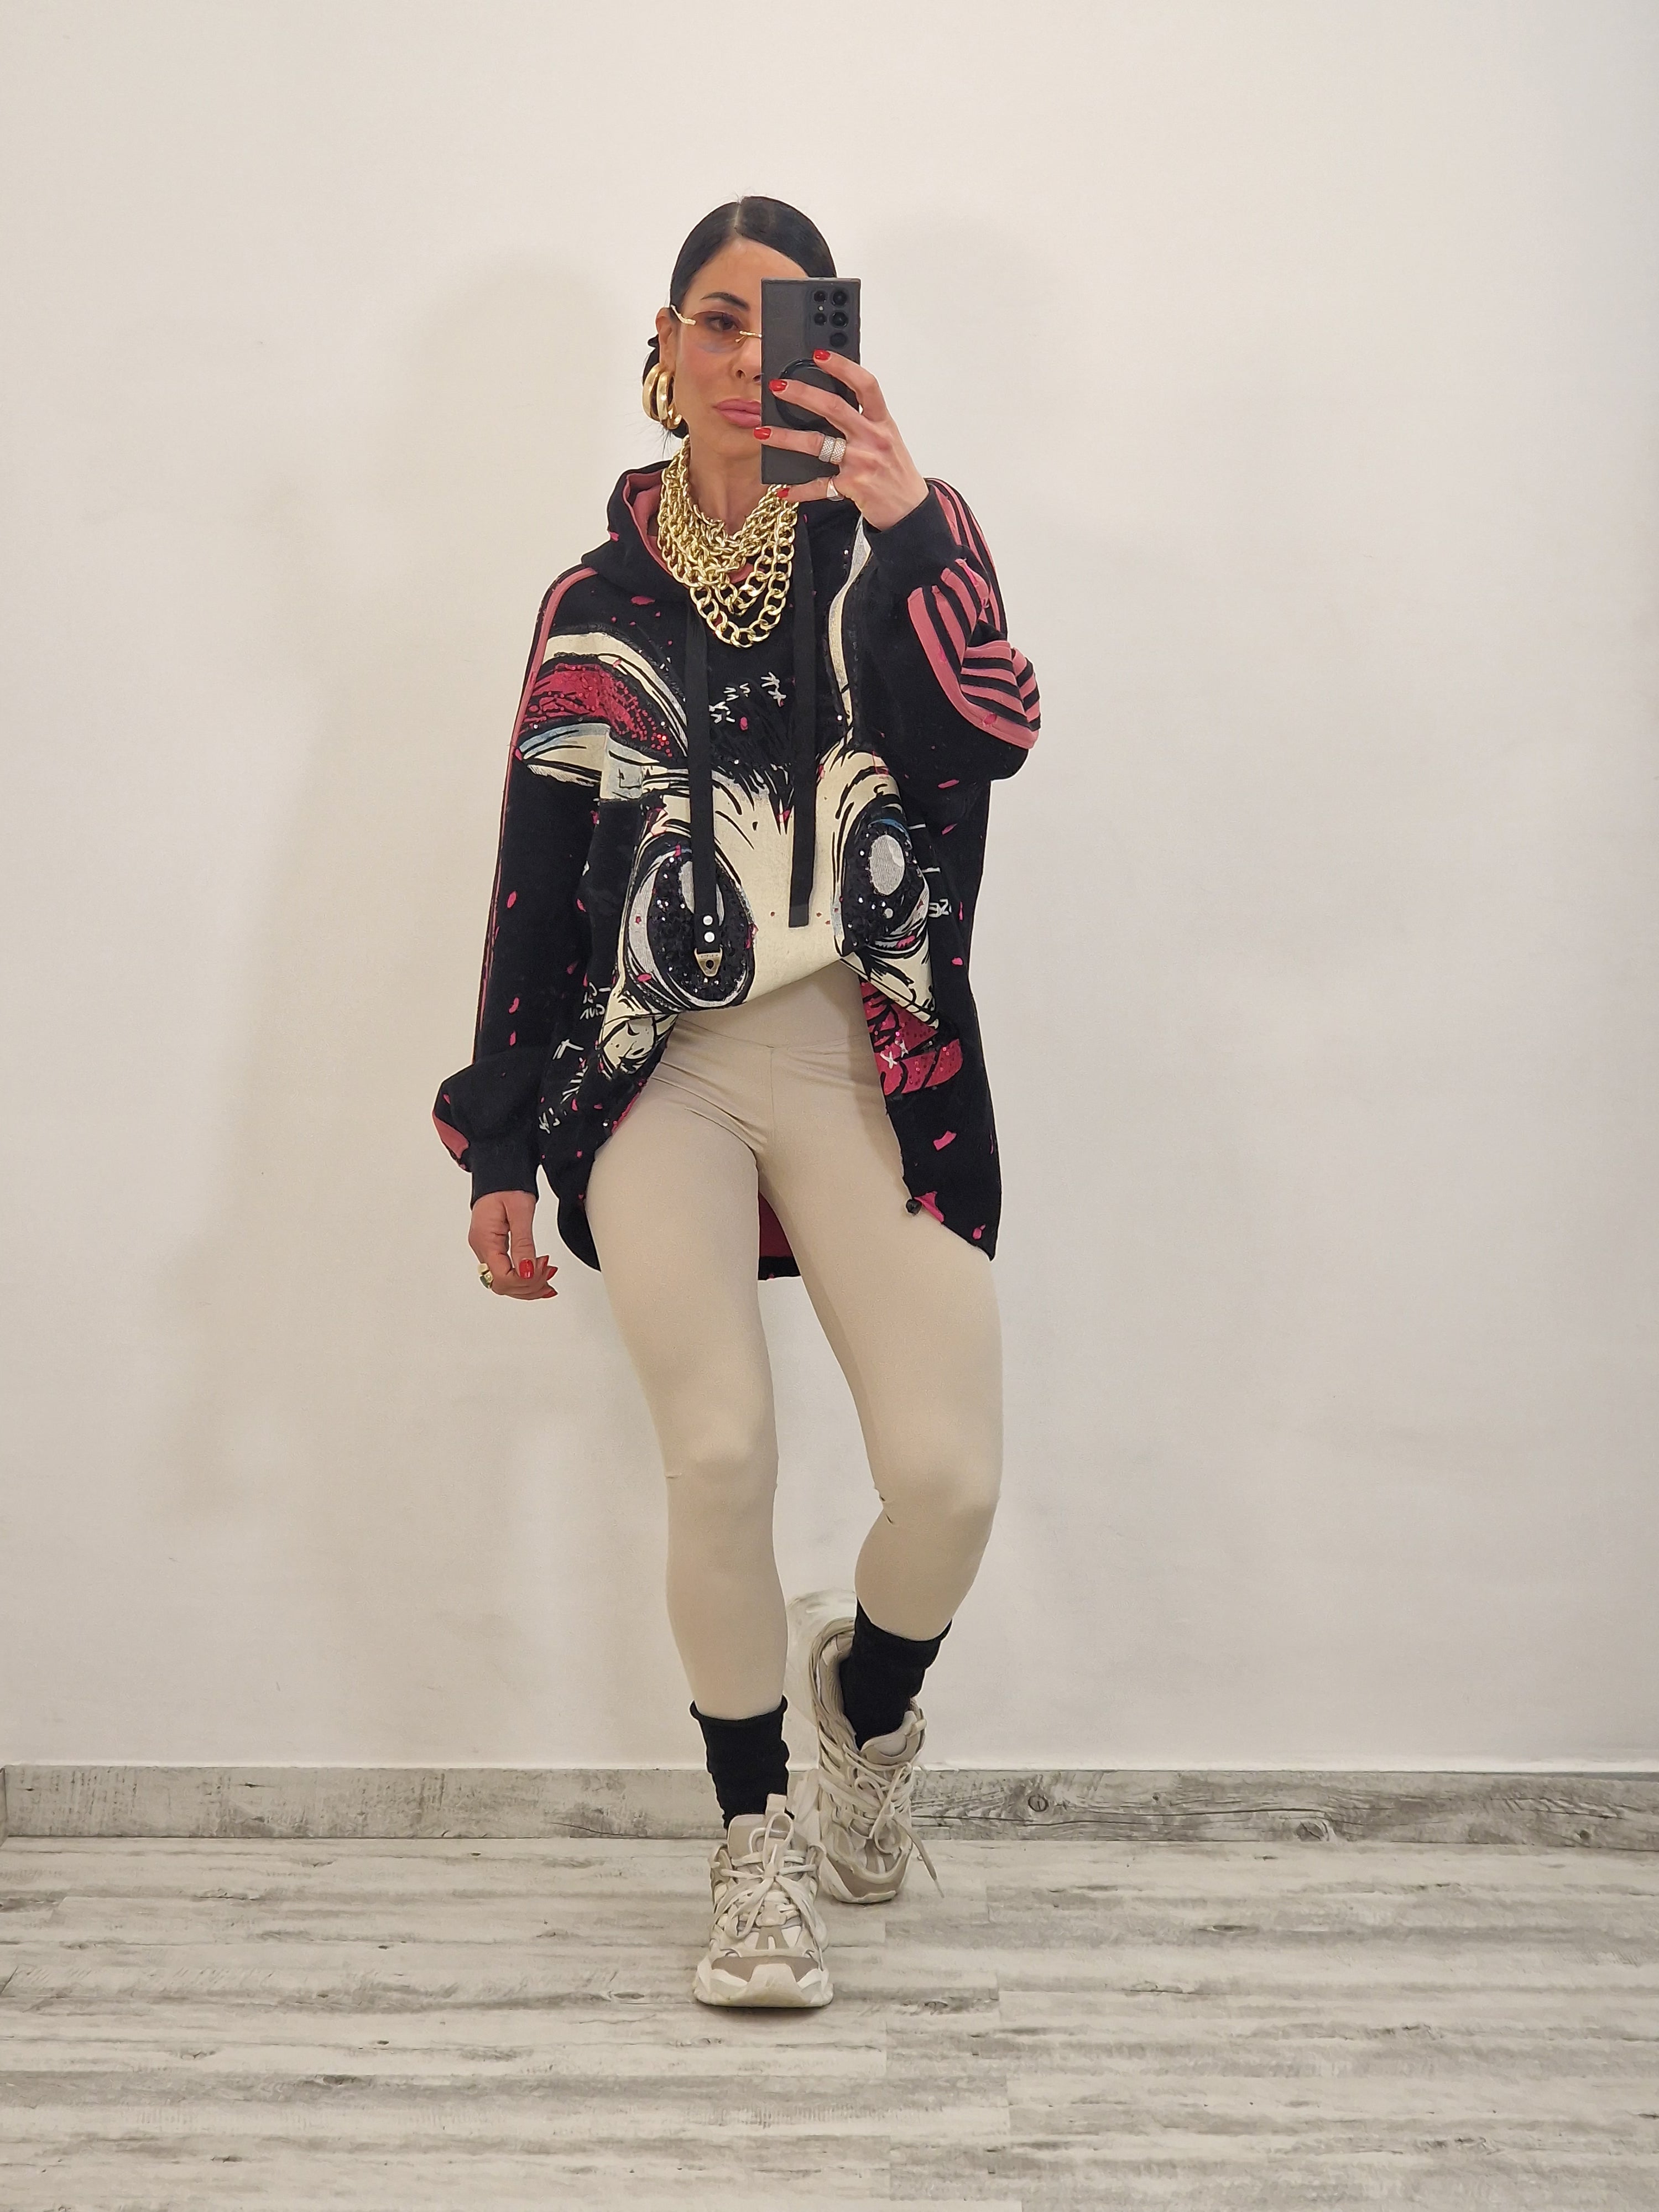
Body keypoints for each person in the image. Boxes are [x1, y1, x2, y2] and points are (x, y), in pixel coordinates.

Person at [433, 197, 1040, 2009]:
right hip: (661, 1073)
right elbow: (535, 878)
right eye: (716, 320)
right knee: (717, 1454)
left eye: (784, 330)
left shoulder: (898, 547)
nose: (743, 360)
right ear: (666, 346)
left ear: (832, 355)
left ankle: (866, 1705)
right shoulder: (592, 602)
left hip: (866, 1060)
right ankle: (753, 1834)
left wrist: (910, 525)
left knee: (947, 1478)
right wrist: (496, 1141)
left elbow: (991, 731)